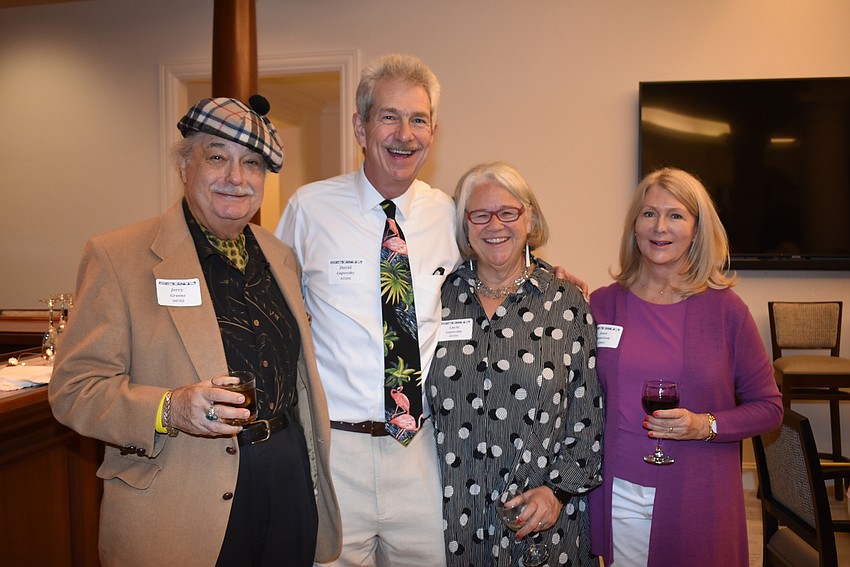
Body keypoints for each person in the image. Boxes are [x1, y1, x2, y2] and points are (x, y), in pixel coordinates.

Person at [48, 96, 341, 567]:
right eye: (217, 157)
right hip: (183, 498)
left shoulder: (280, 255)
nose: (235, 177)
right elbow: (74, 390)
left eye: (252, 163)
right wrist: (170, 408)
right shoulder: (118, 256)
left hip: (287, 483)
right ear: (185, 165)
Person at [276, 53, 455, 566]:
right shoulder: (309, 209)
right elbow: (275, 307)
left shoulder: (449, 214)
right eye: (389, 116)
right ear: (360, 125)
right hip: (337, 454)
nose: (405, 133)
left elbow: (501, 262)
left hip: (422, 453)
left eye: (418, 119)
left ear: (433, 131)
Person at [588, 167, 783, 566]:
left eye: (675, 215)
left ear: (696, 229)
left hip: (698, 494)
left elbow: (769, 407)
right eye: (649, 214)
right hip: (620, 488)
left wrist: (705, 425)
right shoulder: (604, 304)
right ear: (634, 226)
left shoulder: (726, 311)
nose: (660, 227)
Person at [428, 161, 604, 566]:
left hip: (539, 516)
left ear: (530, 219)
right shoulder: (437, 296)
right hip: (449, 517)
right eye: (480, 214)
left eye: (509, 212)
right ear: (465, 225)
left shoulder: (565, 302)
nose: (495, 225)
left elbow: (588, 415)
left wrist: (557, 492)